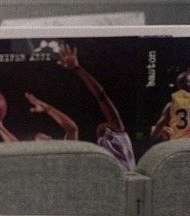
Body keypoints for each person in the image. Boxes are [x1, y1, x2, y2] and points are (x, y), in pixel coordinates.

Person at [58, 43, 136, 171]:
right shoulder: (105, 155)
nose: (101, 126)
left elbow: (101, 96)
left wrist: (77, 69)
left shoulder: (120, 143)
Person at [0, 92, 79, 141]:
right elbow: (16, 147)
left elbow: (72, 129)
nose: (49, 138)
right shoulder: (30, 160)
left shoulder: (62, 155)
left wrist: (48, 108)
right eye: (43, 137)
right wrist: (0, 128)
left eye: (47, 136)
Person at [150, 71, 190, 141]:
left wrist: (164, 131)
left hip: (179, 144)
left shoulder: (171, 105)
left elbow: (154, 136)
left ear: (179, 86)